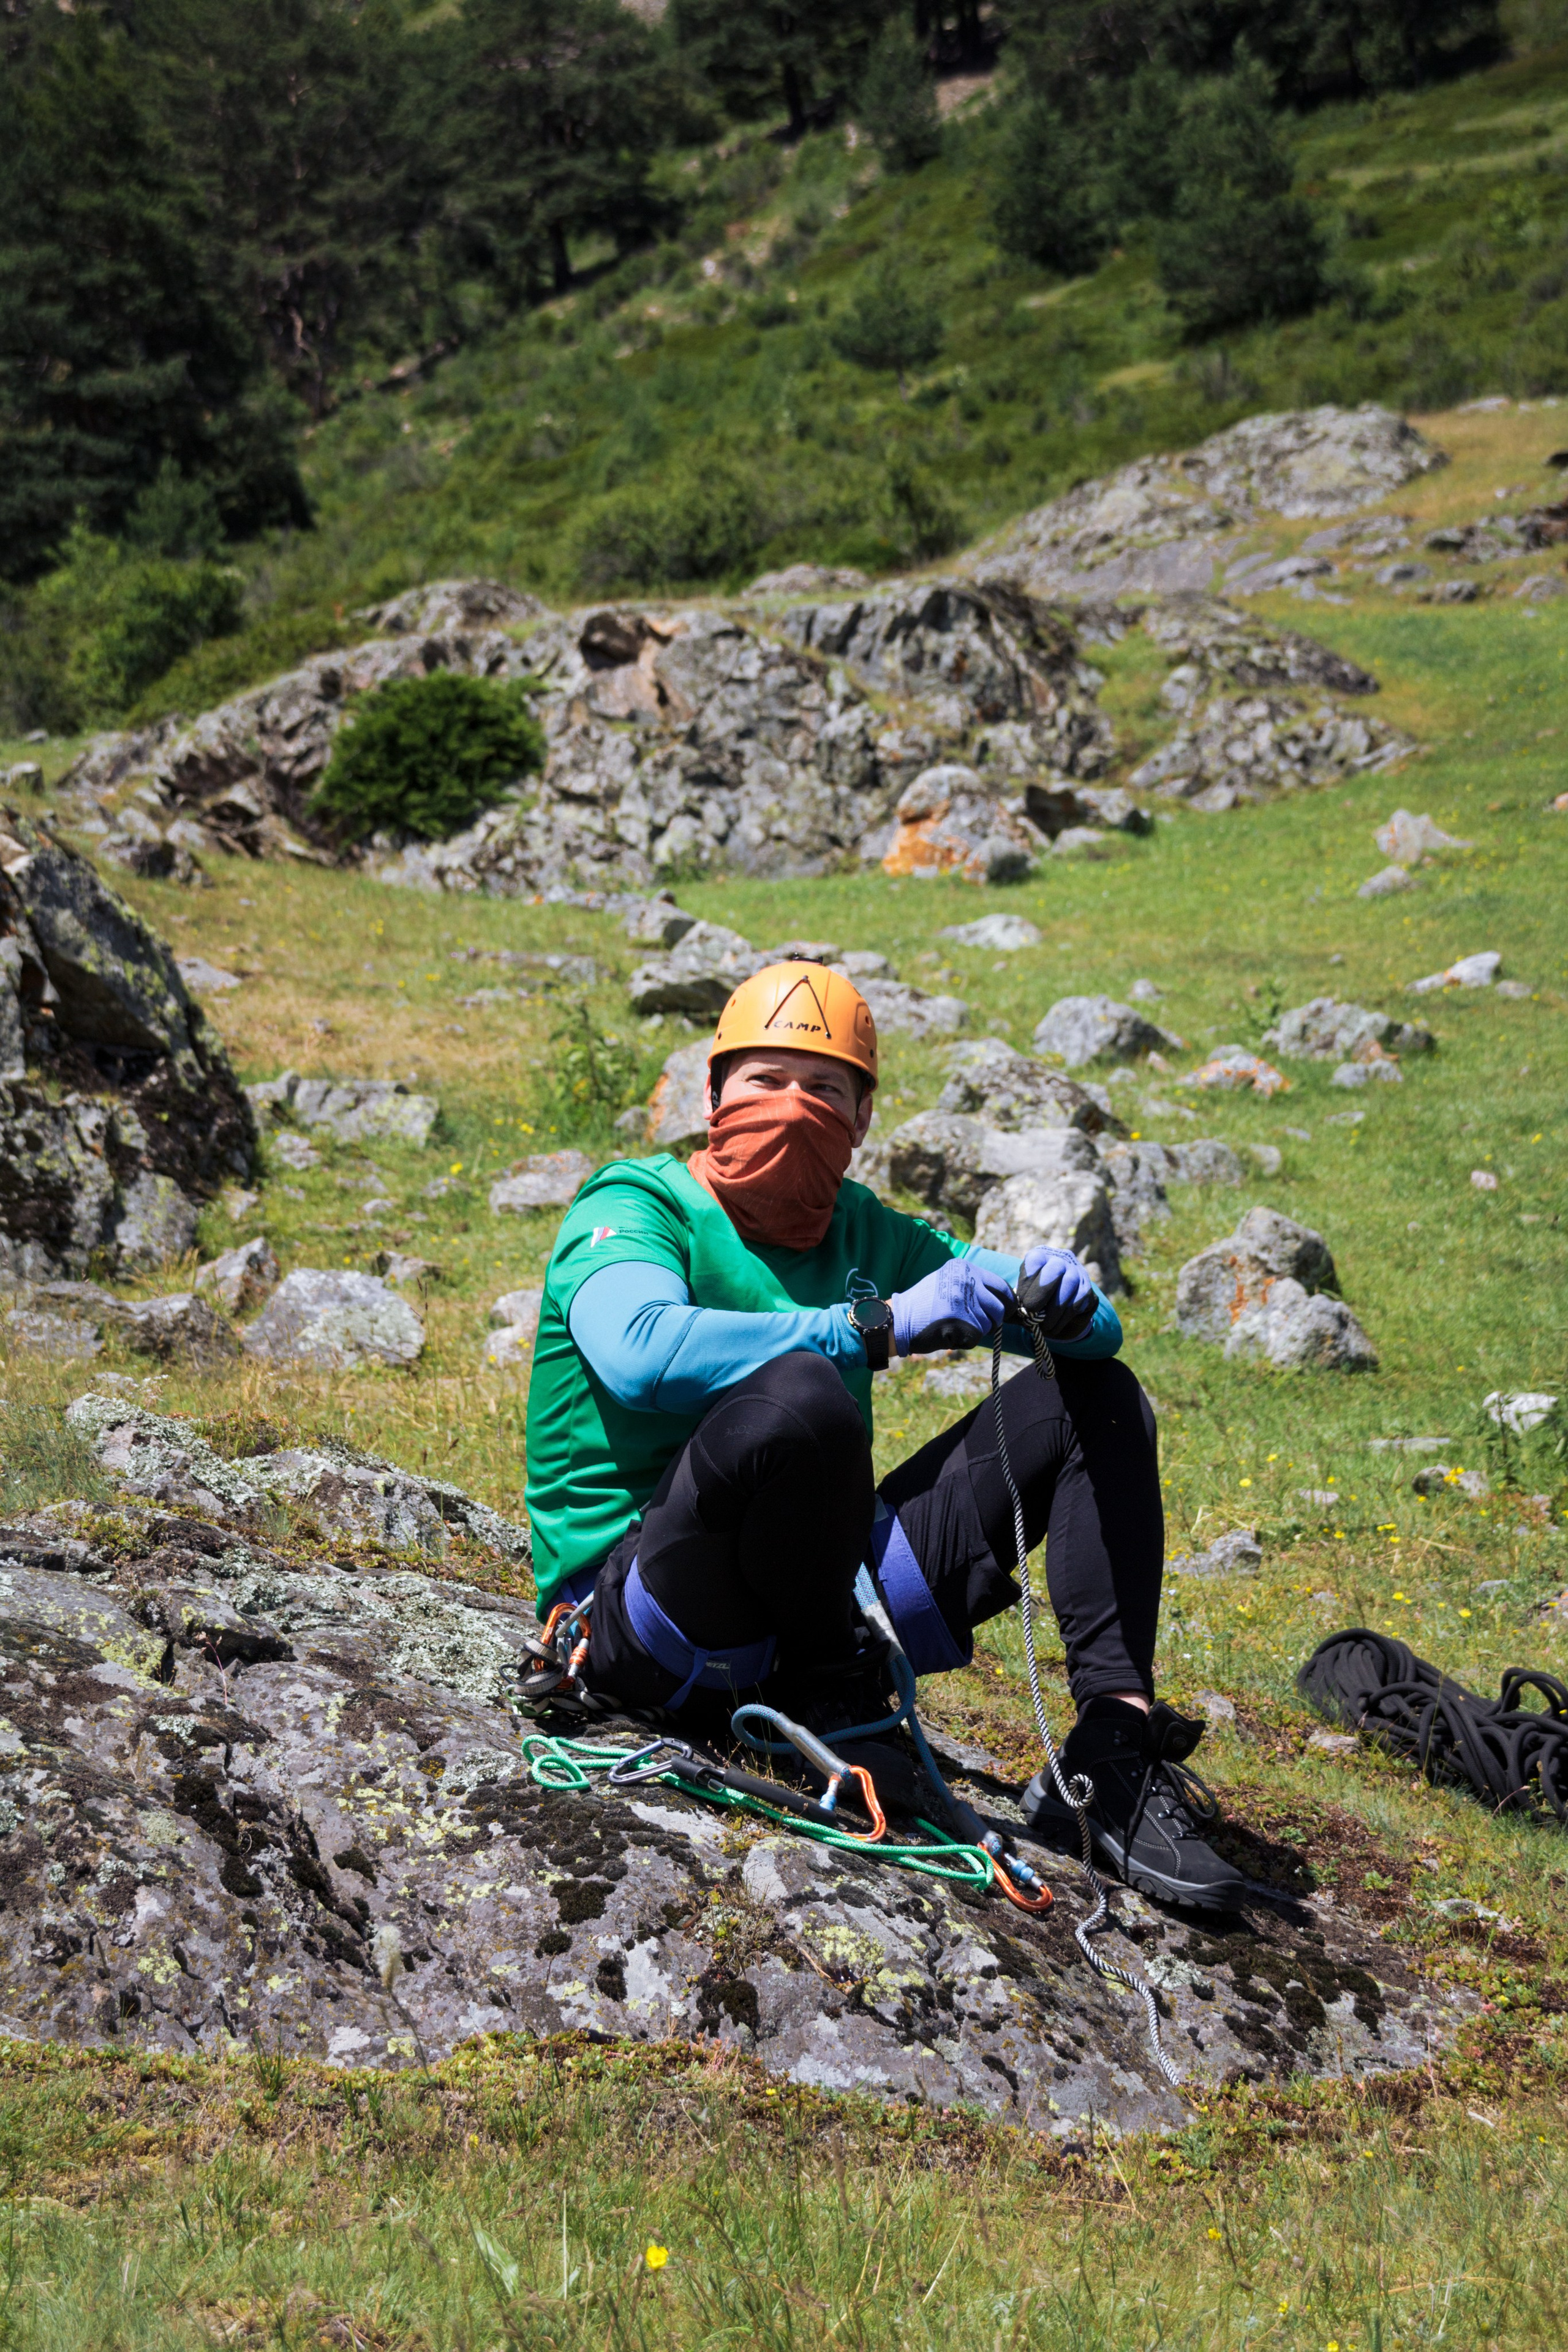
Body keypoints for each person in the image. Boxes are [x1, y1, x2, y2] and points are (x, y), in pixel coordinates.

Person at [524, 960, 1243, 1910]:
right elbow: (641, 1355)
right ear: (710, 1095)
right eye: (765, 1081)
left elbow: (1085, 1332)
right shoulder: (633, 1208)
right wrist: (875, 1328)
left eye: (825, 1090)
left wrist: (1067, 1305)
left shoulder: (870, 1234)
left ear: (862, 1123)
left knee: (1094, 1395)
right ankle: (834, 1695)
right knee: (804, 1397)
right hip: (654, 1617)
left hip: (822, 1610)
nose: (794, 1107)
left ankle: (1112, 1755)